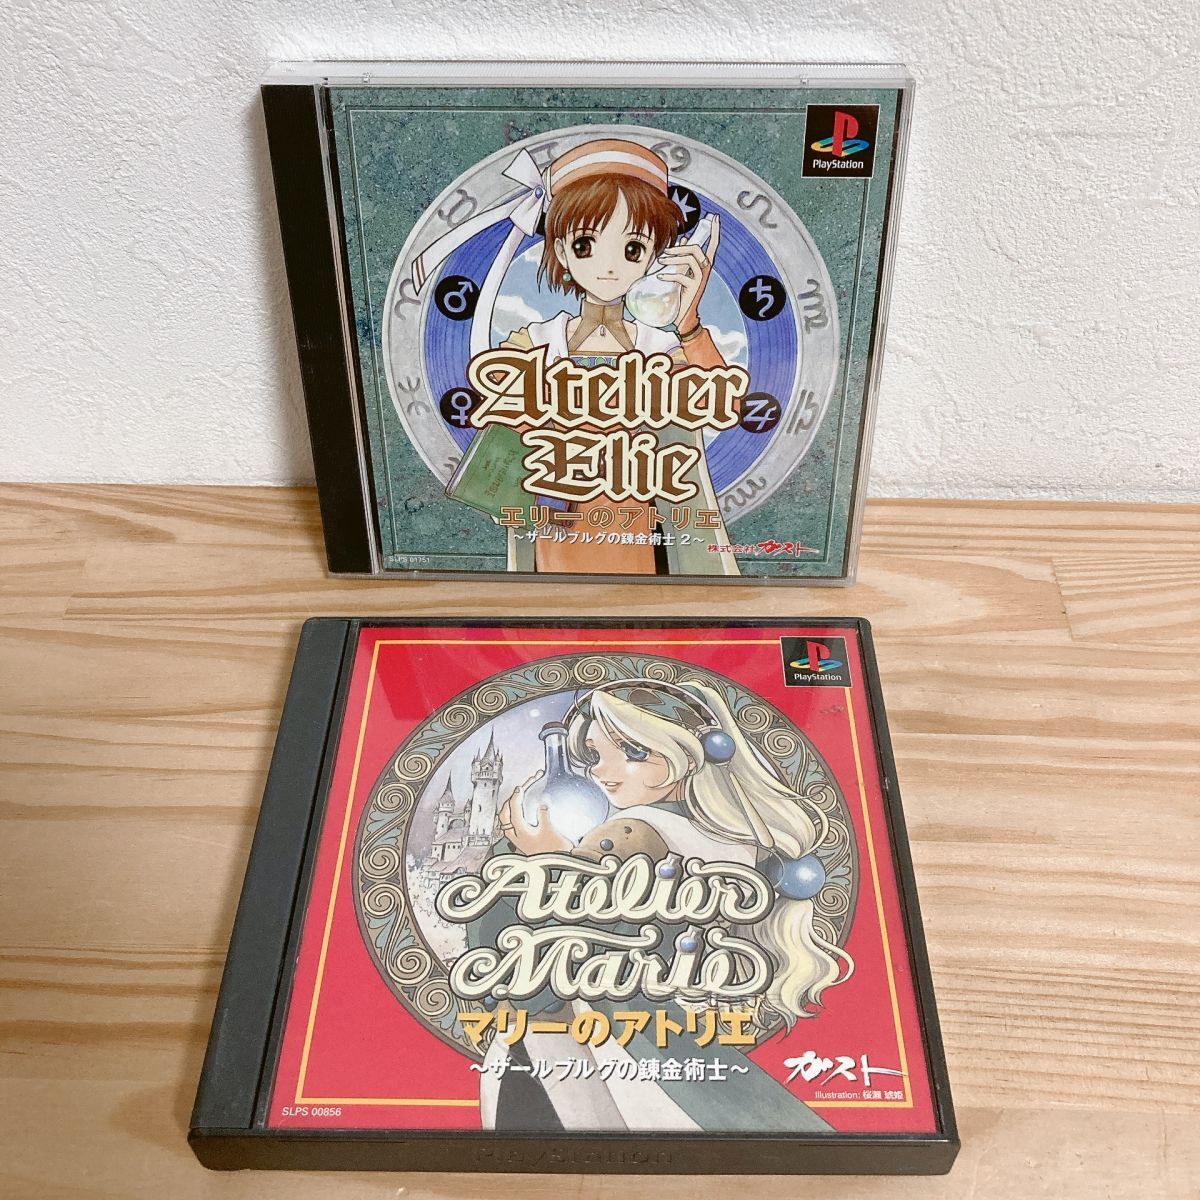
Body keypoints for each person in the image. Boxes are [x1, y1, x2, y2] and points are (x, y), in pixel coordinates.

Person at [472, 678, 852, 1131]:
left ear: (685, 755)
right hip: (665, 1038)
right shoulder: (734, 839)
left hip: (596, 1042)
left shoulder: (632, 831)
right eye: (594, 755)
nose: (603, 771)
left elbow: (528, 961)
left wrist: (539, 861)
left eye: (633, 751)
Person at [414, 138, 740, 575]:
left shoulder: (658, 347)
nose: (609, 267)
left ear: (655, 257)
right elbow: (499, 452)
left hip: (635, 528)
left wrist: (689, 322)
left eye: (633, 249)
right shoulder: (535, 342)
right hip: (556, 521)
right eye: (586, 245)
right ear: (562, 251)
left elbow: (724, 402)